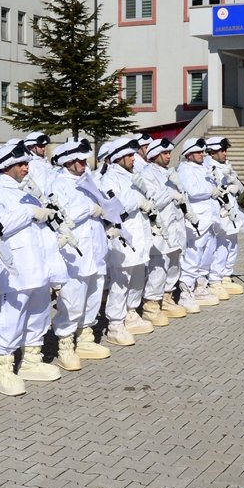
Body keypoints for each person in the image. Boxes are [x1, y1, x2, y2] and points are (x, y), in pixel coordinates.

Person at [0, 140, 66, 394]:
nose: (25, 168)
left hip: (39, 265)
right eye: (20, 164)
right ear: (7, 166)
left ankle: (31, 359)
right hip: (16, 268)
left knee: (39, 313)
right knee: (12, 318)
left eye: (26, 163)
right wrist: (29, 212)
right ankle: (3, 369)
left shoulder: (27, 191)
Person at [47, 139, 112, 366]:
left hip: (95, 249)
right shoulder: (58, 183)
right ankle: (65, 343)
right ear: (68, 161)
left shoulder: (88, 180)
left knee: (93, 294)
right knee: (72, 299)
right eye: (80, 160)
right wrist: (89, 208)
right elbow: (62, 215)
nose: (84, 164)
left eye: (85, 160)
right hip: (75, 253)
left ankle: (85, 337)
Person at [98, 137, 155, 345]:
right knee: (121, 280)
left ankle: (131, 313)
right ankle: (115, 323)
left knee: (138, 277)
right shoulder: (110, 178)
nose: (133, 158)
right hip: (123, 237)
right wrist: (137, 201)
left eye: (133, 154)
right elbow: (114, 206)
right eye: (129, 155)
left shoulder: (132, 175)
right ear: (119, 157)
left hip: (140, 236)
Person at [140, 138, 190, 321]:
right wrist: (168, 194)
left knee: (174, 264)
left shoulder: (170, 173)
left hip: (176, 227)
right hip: (160, 229)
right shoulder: (147, 174)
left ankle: (167, 298)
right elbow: (152, 202)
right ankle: (151, 304)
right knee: (159, 267)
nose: (169, 156)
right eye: (165, 153)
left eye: (169, 153)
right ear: (154, 155)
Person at [176, 137, 222, 309]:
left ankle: (200, 286)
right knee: (193, 255)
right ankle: (185, 291)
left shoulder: (203, 168)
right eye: (198, 152)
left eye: (202, 151)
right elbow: (192, 191)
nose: (202, 154)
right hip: (197, 219)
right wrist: (211, 190)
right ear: (189, 155)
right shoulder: (185, 169)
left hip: (210, 218)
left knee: (207, 253)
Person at [206, 136, 244, 298]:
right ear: (212, 151)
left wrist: (234, 182)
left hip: (232, 212)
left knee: (232, 244)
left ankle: (226, 275)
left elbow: (238, 186)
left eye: (225, 150)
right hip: (221, 212)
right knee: (221, 246)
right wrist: (226, 188)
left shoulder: (226, 165)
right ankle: (215, 279)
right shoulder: (208, 167)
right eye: (222, 150)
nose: (225, 153)